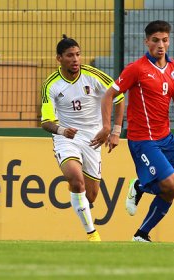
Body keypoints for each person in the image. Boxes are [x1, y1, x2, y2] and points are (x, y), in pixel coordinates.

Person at [91, 20, 174, 242]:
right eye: (155, 40)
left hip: (166, 139)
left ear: (169, 41)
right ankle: (139, 186)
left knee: (171, 190)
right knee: (172, 183)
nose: (161, 45)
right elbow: (108, 95)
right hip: (143, 140)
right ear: (146, 41)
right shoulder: (136, 69)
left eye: (165, 40)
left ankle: (141, 234)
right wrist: (110, 128)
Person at [41, 35, 125, 241]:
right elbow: (45, 122)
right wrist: (61, 131)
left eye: (78, 55)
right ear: (59, 58)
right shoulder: (51, 85)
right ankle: (92, 234)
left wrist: (115, 131)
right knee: (76, 180)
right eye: (70, 55)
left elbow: (119, 97)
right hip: (67, 138)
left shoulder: (93, 75)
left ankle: (79, 200)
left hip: (93, 139)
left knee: (91, 195)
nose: (76, 59)